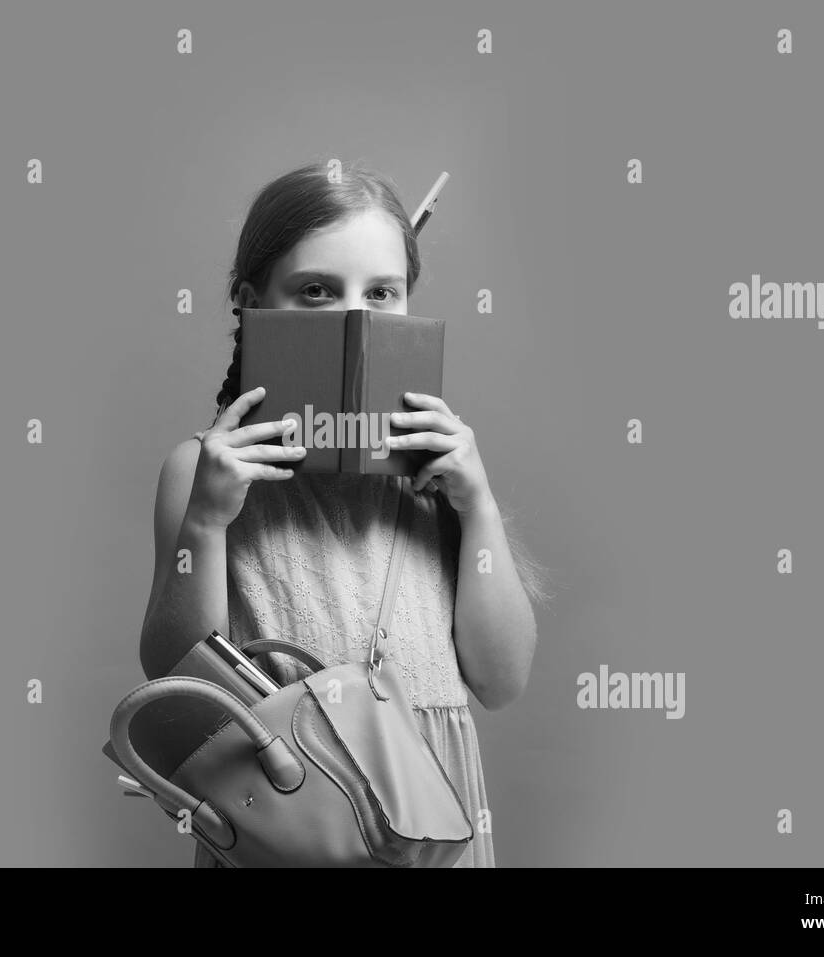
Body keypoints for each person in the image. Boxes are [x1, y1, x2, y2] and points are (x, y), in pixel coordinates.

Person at [139, 161, 548, 867]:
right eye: (316, 292)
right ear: (253, 302)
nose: (354, 317)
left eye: (381, 293)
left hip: (430, 814)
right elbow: (178, 677)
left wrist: (476, 506)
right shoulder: (200, 471)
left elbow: (502, 679)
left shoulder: (434, 479)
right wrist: (205, 520)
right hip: (290, 809)